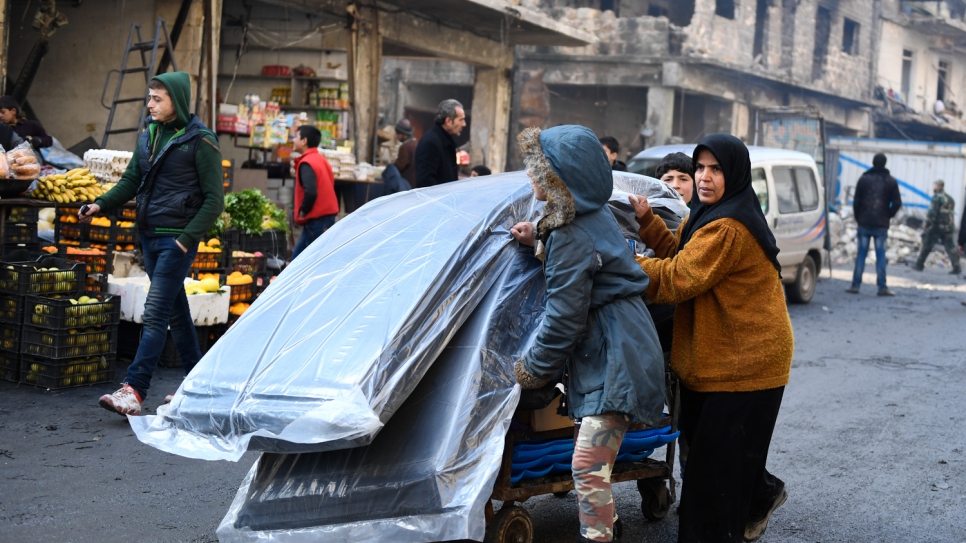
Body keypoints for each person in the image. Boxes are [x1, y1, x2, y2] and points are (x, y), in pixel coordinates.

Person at [630, 134, 793, 543]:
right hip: (722, 358)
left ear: (734, 173)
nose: (704, 177)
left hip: (744, 364)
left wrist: (613, 261)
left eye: (715, 169)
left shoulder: (728, 227)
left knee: (709, 484)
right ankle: (760, 495)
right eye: (700, 167)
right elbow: (679, 253)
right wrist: (648, 220)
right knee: (724, 465)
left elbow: (676, 279)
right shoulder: (708, 212)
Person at [510, 125, 666, 543]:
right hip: (621, 342)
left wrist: (530, 370)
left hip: (617, 353)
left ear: (563, 179)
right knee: (592, 457)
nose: (531, 177)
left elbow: (564, 317)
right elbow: (590, 264)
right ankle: (605, 527)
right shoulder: (586, 216)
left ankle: (599, 536)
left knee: (587, 464)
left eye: (538, 170)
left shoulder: (569, 230)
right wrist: (537, 242)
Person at [83, 72, 224, 416]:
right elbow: (132, 179)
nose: (149, 104)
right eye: (150, 98)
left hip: (175, 241)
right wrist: (101, 203)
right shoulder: (149, 134)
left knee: (156, 311)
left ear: (176, 99)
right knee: (177, 312)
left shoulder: (201, 141)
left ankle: (134, 389)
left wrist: (185, 241)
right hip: (148, 236)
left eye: (157, 99)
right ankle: (198, 386)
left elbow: (215, 201)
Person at [847, 152, 902, 296]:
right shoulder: (890, 181)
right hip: (881, 224)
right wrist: (887, 215)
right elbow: (897, 203)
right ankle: (882, 287)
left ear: (873, 162)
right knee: (881, 255)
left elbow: (856, 201)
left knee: (861, 254)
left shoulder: (864, 179)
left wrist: (858, 217)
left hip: (864, 222)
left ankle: (855, 285)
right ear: (885, 163)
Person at [290, 125, 337, 261]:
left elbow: (311, 192)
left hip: (317, 221)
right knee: (299, 262)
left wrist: (303, 211)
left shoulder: (307, 162)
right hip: (324, 219)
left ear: (304, 141)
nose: (293, 140)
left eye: (296, 137)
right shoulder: (321, 160)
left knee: (308, 263)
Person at [913, 180, 961, 274]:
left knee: (927, 245)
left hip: (937, 227)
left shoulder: (936, 197)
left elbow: (932, 213)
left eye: (934, 186)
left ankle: (919, 264)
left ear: (938, 186)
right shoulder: (950, 198)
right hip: (948, 227)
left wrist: (926, 225)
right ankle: (957, 267)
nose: (933, 187)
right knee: (950, 247)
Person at [415, 99, 464, 188]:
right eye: (461, 120)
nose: (464, 124)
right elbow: (425, 182)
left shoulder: (445, 141)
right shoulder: (431, 142)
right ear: (448, 121)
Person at [393, 118, 418, 186]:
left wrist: (393, 164)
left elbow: (400, 165)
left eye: (398, 134)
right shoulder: (416, 143)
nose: (396, 136)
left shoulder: (405, 147)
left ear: (404, 135)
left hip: (407, 183)